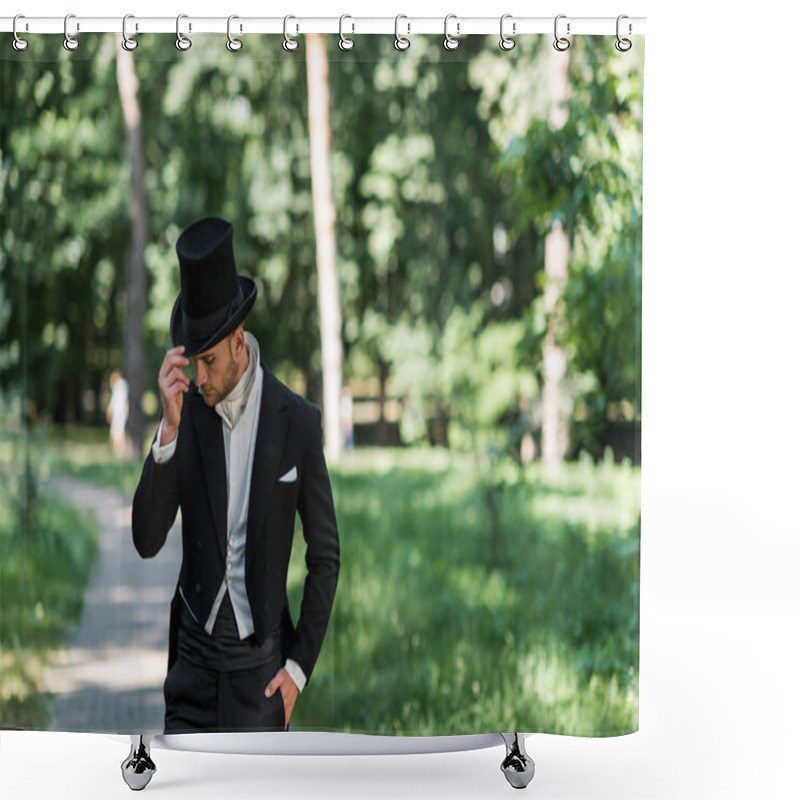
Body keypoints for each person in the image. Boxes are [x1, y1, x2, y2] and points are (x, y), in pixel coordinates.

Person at [132, 217, 340, 734]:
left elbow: (326, 556)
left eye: (209, 361)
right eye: (192, 361)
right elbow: (146, 540)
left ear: (239, 342)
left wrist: (298, 669)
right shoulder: (188, 413)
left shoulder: (299, 423)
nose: (198, 377)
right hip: (192, 678)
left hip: (262, 682)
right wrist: (169, 428)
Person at [106, 370, 129, 460]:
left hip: (118, 414)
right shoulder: (123, 386)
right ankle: (119, 452)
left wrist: (109, 410)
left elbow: (114, 401)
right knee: (119, 432)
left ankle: (118, 452)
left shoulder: (118, 386)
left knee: (116, 433)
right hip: (121, 413)